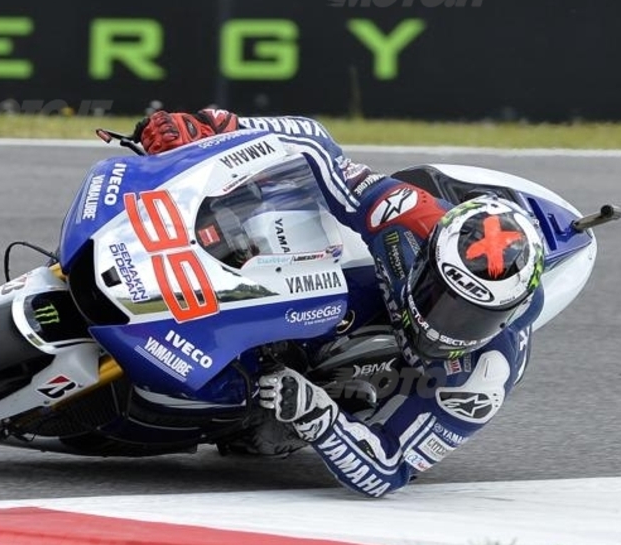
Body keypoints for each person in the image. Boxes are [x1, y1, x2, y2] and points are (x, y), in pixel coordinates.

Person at [131, 109, 545, 498]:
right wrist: (213, 127)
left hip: (359, 389)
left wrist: (319, 417)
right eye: (437, 296)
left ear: (507, 316)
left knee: (259, 432)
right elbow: (316, 149)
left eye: (470, 317)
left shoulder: (483, 379)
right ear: (426, 257)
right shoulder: (406, 217)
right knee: (277, 206)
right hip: (351, 287)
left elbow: (387, 469)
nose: (444, 323)